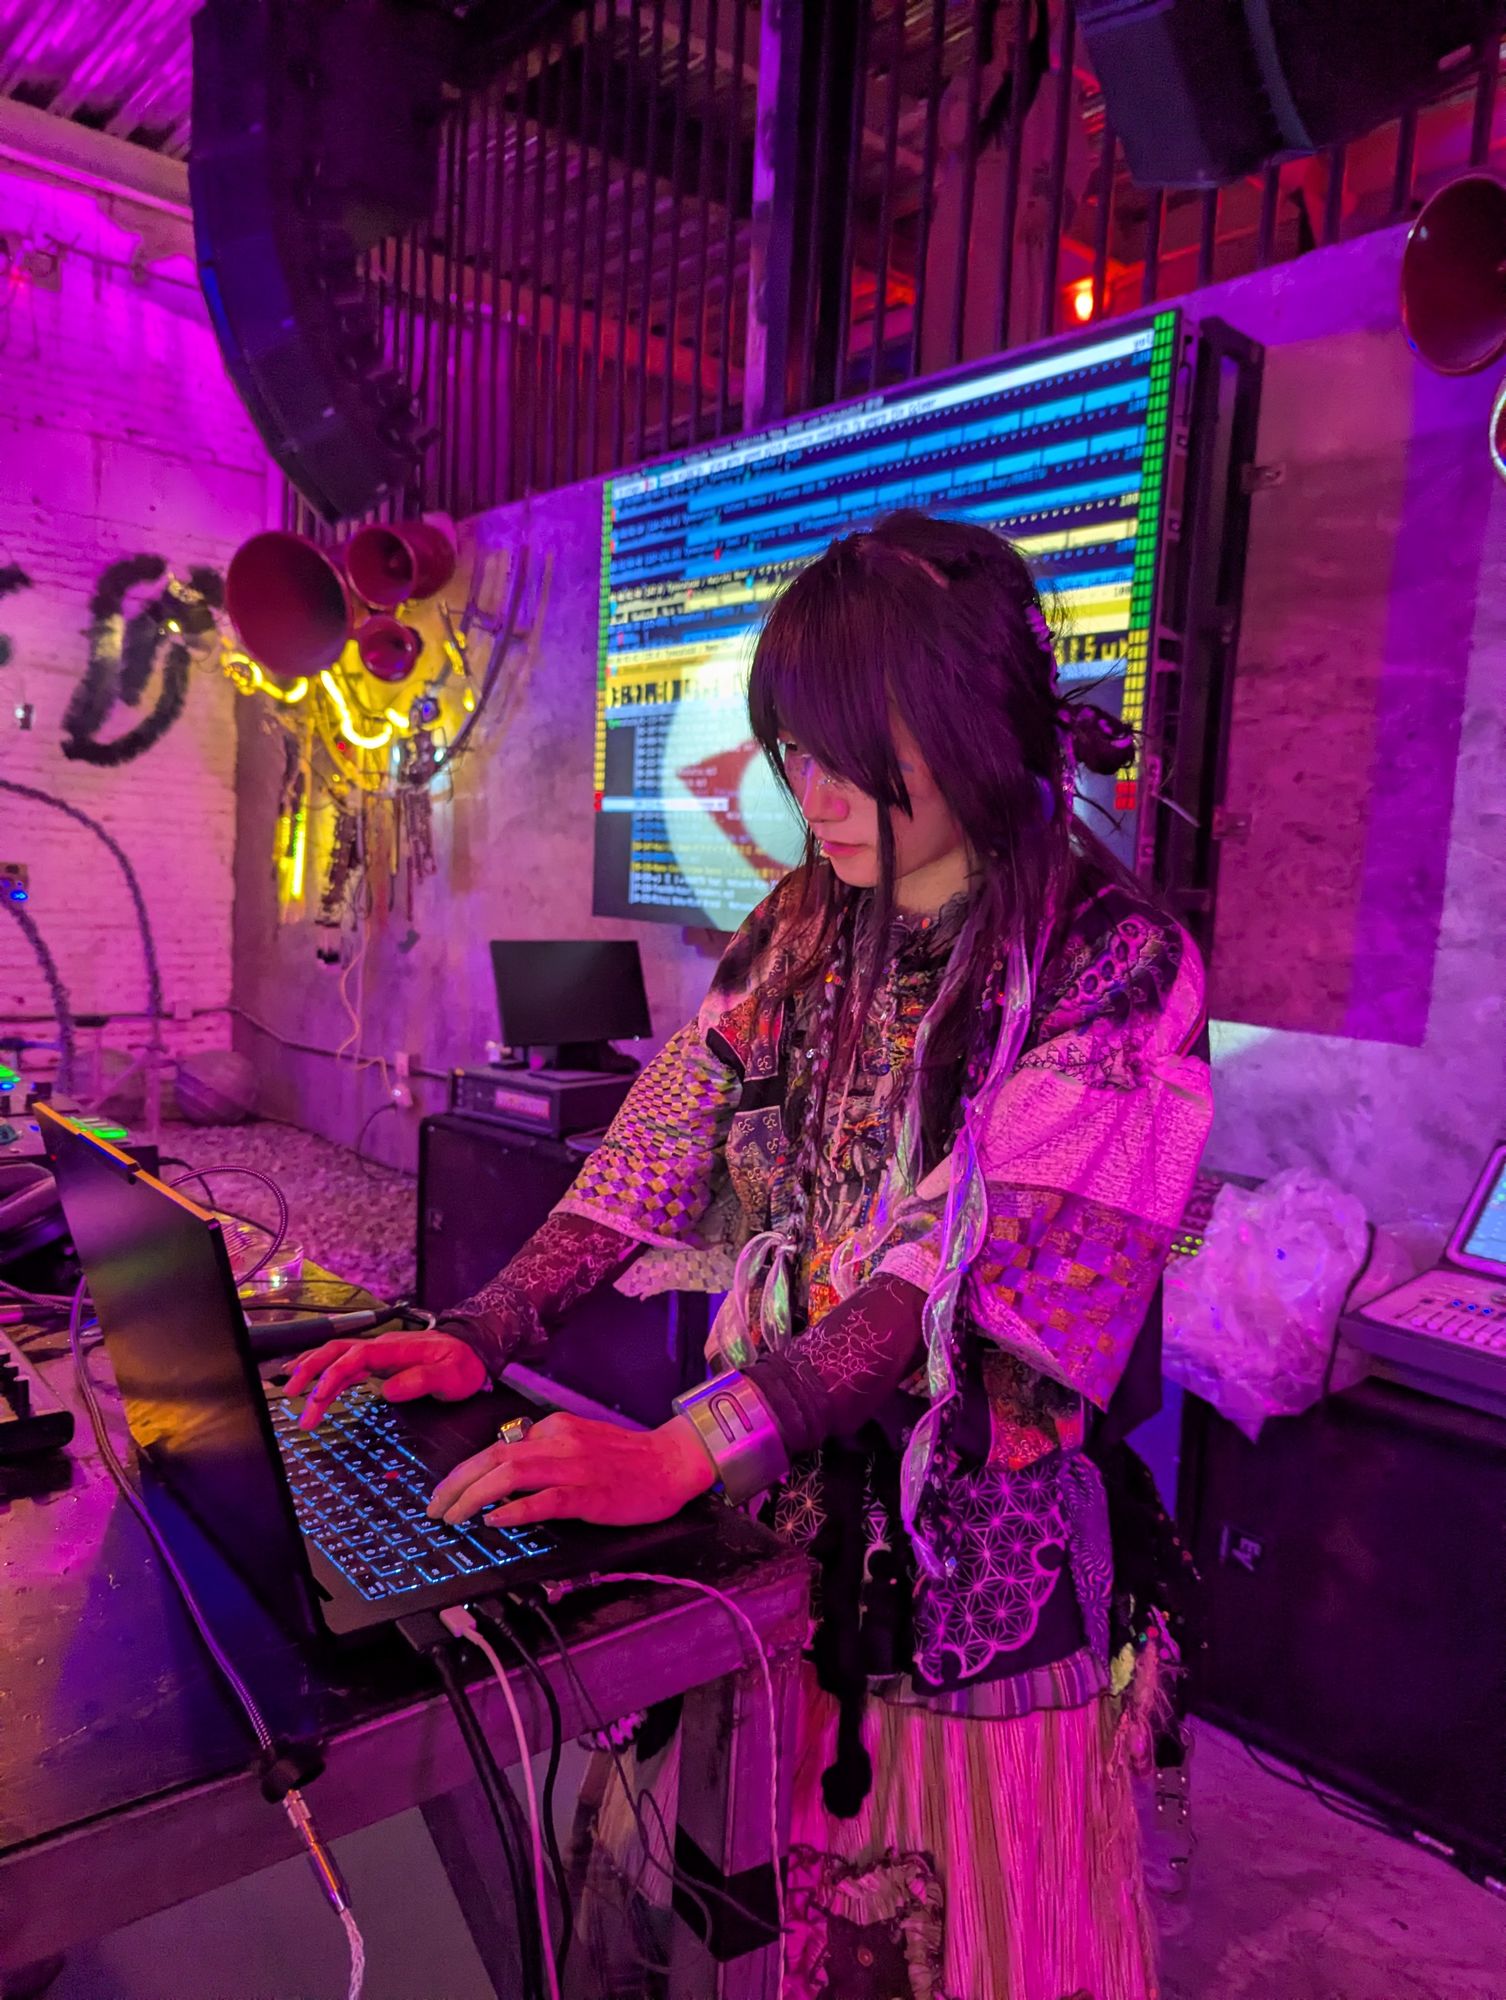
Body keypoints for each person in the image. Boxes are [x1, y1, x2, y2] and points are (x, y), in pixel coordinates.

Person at [288, 510, 1213, 2000]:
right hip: (775, 1504)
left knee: (942, 1928)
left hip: (969, 1558)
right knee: (741, 1893)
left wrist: (682, 1449)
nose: (811, 796)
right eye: (792, 754)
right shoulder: (805, 921)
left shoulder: (1116, 962)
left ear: (976, 724)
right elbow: (662, 1134)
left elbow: (953, 1277)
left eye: (850, 756)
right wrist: (483, 1326)